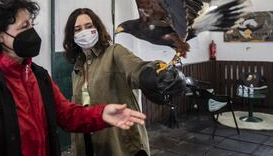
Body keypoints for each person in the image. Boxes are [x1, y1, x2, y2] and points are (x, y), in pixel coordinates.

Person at [0, 0, 147, 156]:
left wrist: (101, 115)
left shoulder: (38, 76)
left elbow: (66, 115)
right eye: (24, 27)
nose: (32, 33)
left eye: (32, 25)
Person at [63, 8, 185, 156]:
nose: (84, 32)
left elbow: (137, 68)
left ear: (97, 28)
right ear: (72, 35)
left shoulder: (115, 53)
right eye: (78, 29)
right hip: (87, 146)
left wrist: (151, 75)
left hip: (122, 146)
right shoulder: (77, 70)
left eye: (89, 27)